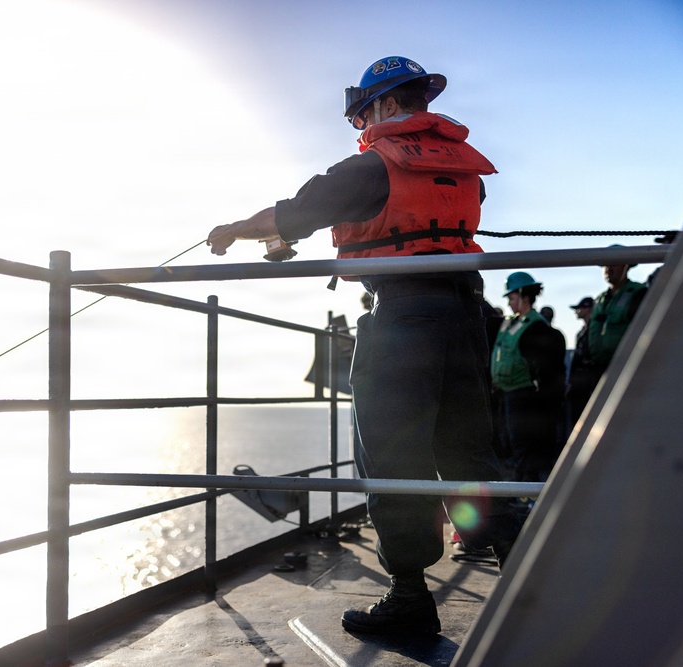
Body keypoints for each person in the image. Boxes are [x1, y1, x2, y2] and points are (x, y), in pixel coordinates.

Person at [207, 55, 520, 637]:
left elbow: (294, 212)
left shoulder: (375, 165)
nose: (361, 129)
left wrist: (231, 230)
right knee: (467, 449)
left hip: (403, 316)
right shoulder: (464, 169)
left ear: (387, 106)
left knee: (390, 454)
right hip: (466, 312)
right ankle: (531, 579)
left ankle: (408, 601)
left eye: (362, 117)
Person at [491, 272, 567, 485]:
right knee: (511, 444)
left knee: (524, 445)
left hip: (523, 397)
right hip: (506, 394)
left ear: (524, 295)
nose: (509, 302)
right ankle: (519, 486)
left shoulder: (537, 328)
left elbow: (547, 371)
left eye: (512, 297)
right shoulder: (511, 323)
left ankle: (525, 491)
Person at [589, 257, 648, 371]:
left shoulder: (639, 293)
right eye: (606, 265)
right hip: (598, 368)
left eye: (614, 264)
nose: (608, 269)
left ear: (626, 267)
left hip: (626, 367)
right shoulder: (599, 300)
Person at [566, 296, 596, 430]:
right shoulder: (580, 333)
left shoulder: (595, 331)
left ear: (588, 309)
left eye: (579, 308)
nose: (576, 311)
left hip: (590, 380)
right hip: (579, 383)